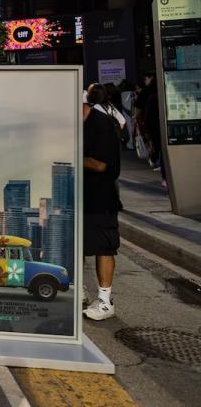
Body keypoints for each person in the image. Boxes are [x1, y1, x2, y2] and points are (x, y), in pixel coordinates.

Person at [82, 97, 122, 321]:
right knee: (76, 245)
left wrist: (69, 151)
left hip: (101, 197)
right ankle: (79, 292)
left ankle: (106, 302)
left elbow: (101, 164)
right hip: (76, 196)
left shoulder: (102, 123)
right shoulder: (70, 124)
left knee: (104, 247)